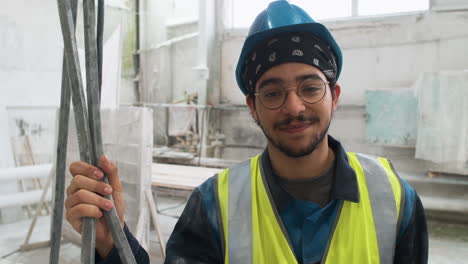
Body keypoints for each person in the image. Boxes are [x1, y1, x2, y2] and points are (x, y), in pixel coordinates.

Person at [65, 1, 428, 263]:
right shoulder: (213, 206)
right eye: (272, 93)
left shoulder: (393, 198)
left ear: (333, 95)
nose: (294, 107)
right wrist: (113, 246)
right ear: (252, 106)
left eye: (310, 87)